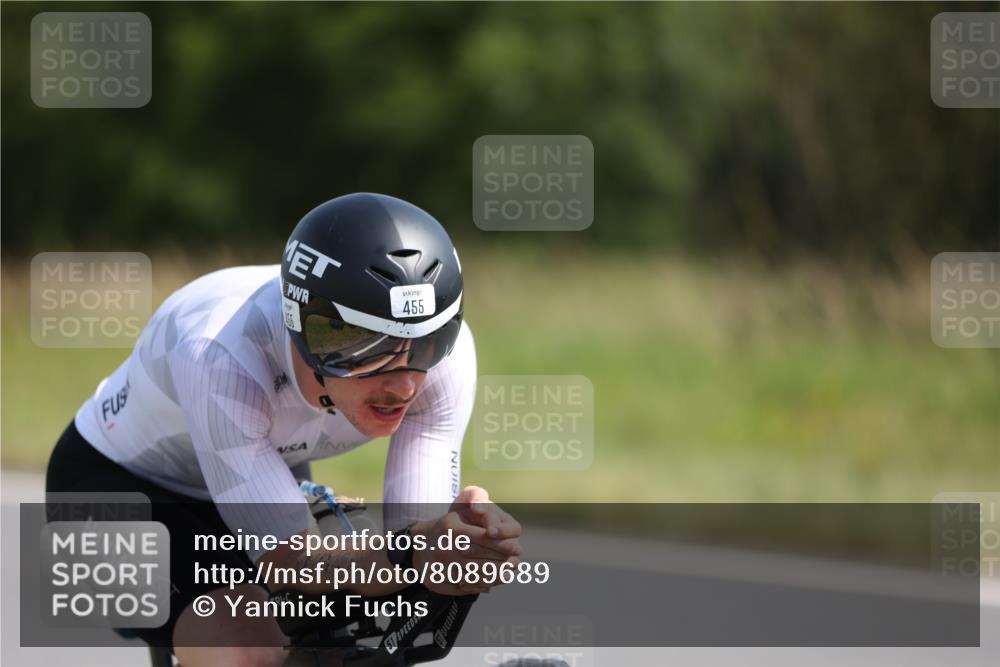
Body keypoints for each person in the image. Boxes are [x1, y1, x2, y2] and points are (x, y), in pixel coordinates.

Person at [45, 193, 522, 667]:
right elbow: (295, 558)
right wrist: (409, 558)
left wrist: (463, 549)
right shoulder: (221, 354)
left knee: (336, 631)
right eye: (369, 347)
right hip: (111, 492)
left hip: (253, 474)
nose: (403, 384)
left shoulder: (444, 360)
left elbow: (414, 545)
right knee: (248, 651)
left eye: (429, 343)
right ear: (307, 329)